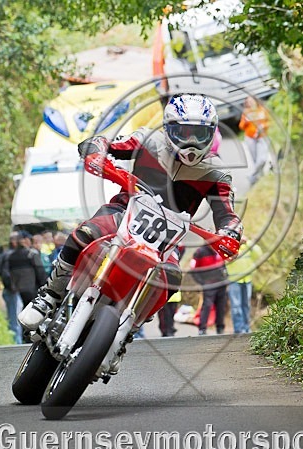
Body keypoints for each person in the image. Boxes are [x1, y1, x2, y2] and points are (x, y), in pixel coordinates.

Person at [19, 93, 242, 330]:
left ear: (212, 133)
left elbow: (227, 214)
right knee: (86, 233)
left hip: (167, 239)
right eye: (184, 132)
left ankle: (131, 327)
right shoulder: (148, 140)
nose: (191, 142)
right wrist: (95, 149)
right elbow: (109, 143)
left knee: (172, 278)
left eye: (200, 134)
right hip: (124, 211)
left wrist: (230, 232)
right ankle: (49, 295)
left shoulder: (217, 173)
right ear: (168, 129)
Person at [0, 231, 23, 344]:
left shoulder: (8, 254)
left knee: (15, 318)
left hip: (12, 290)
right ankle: (17, 345)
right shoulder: (10, 255)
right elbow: (2, 269)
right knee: (15, 320)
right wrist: (10, 282)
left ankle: (17, 342)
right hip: (12, 290)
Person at [226, 235, 263, 334]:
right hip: (234, 280)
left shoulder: (248, 245)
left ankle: (246, 328)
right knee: (236, 306)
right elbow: (227, 258)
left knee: (246, 305)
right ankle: (238, 329)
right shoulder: (229, 246)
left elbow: (259, 254)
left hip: (247, 280)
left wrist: (248, 243)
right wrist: (237, 245)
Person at [191, 244, 228, 335]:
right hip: (208, 284)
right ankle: (202, 328)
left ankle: (220, 328)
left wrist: (226, 277)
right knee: (207, 305)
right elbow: (193, 269)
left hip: (221, 283)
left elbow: (224, 265)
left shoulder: (220, 250)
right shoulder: (200, 252)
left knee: (221, 306)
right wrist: (202, 282)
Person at [7, 230, 47, 309]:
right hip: (33, 290)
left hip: (19, 291)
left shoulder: (11, 256)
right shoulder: (32, 254)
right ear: (25, 240)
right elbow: (41, 273)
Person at [239, 96, 270, 186]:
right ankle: (260, 177)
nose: (250, 103)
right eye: (248, 102)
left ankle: (252, 175)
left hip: (262, 137)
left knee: (262, 159)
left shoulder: (262, 110)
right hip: (250, 138)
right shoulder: (246, 112)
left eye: (251, 101)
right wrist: (245, 121)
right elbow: (241, 126)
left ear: (256, 101)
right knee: (255, 159)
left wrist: (263, 126)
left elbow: (269, 121)